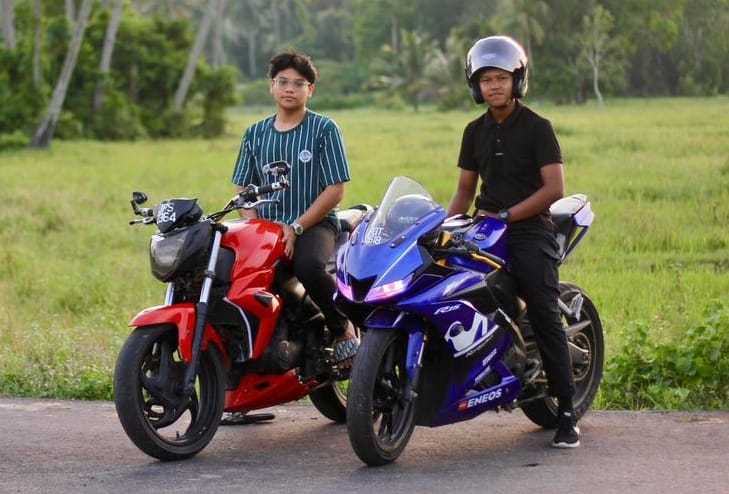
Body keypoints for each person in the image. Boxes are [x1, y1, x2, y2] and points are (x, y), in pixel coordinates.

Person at [446, 36, 580, 448]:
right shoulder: (474, 131)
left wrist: (507, 215)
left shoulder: (538, 127)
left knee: (542, 311)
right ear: (475, 85)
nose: (494, 86)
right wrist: (444, 227)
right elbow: (465, 191)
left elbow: (554, 189)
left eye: (501, 78)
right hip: (485, 230)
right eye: (486, 80)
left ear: (517, 81)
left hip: (530, 230)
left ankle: (567, 411)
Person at [231, 50, 359, 371]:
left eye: (299, 83)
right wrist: (254, 227)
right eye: (283, 81)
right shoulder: (255, 133)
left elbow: (335, 189)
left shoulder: (324, 129)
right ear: (271, 86)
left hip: (315, 224)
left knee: (308, 266)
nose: (290, 88)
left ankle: (342, 326)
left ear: (310, 90)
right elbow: (243, 188)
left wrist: (296, 227)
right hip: (266, 229)